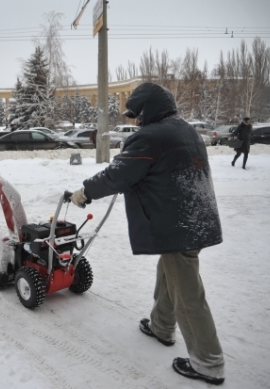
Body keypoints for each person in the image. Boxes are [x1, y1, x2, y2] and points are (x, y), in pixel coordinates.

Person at [70, 83, 225, 385]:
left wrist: (85, 192)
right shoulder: (184, 129)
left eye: (137, 114)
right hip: (195, 217)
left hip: (177, 223)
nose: (137, 121)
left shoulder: (150, 137)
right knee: (170, 274)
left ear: (148, 109)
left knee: (187, 293)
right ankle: (161, 326)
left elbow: (118, 175)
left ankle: (208, 362)